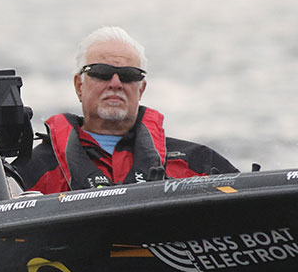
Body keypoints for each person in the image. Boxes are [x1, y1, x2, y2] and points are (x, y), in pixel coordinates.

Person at [12, 26, 237, 193]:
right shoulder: (32, 171)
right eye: (101, 73)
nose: (116, 84)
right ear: (79, 85)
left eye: (129, 75)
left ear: (141, 89)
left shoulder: (199, 164)